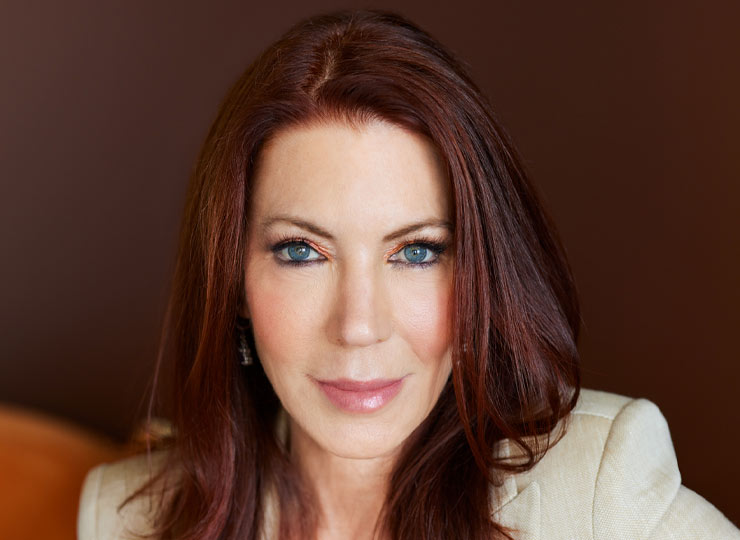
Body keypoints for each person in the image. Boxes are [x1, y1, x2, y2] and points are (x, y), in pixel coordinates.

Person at [77, 9, 739, 540]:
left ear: (479, 273)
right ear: (233, 280)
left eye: (416, 252)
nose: (358, 327)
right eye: (302, 251)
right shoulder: (124, 518)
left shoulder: (598, 492)